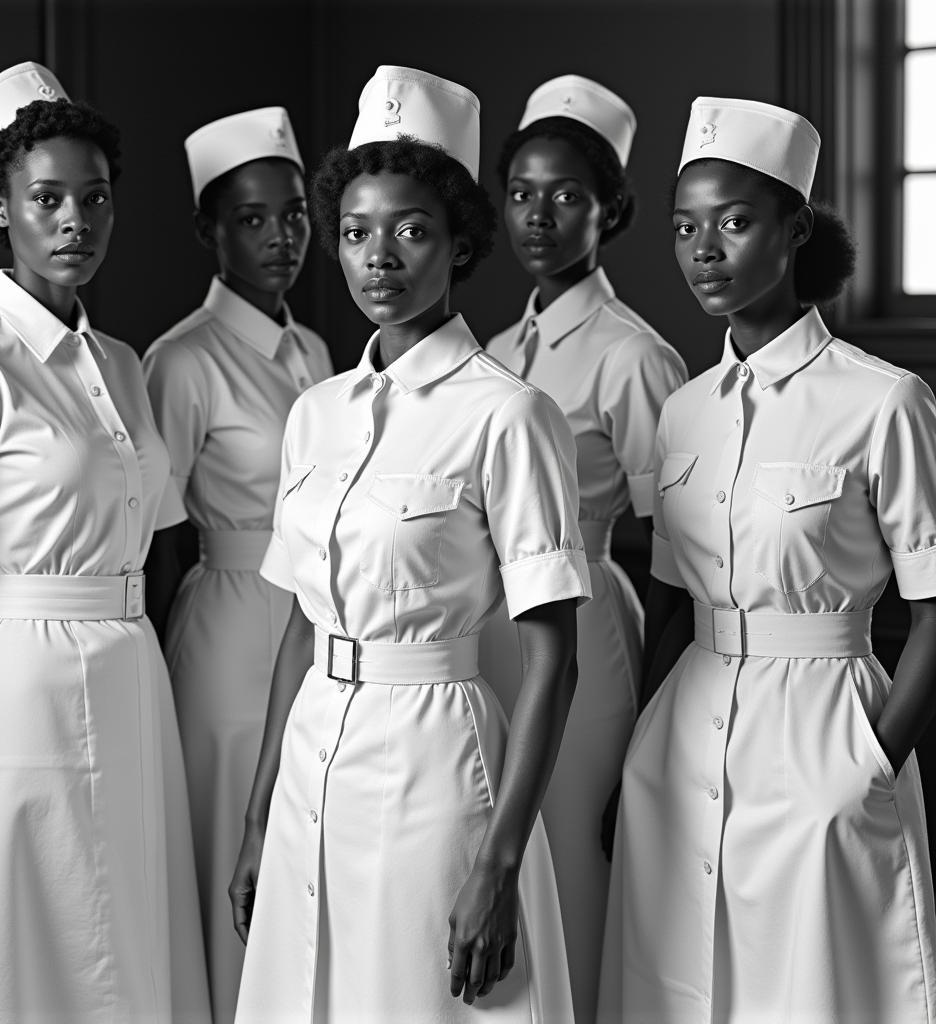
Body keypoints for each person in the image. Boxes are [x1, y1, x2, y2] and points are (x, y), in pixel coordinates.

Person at [228, 65, 590, 1023]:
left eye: (411, 229)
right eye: (354, 232)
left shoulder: (510, 416)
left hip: (437, 765)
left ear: (462, 243)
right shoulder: (315, 414)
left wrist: (500, 860)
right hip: (314, 760)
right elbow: (303, 628)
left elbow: (554, 653)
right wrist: (262, 815)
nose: (377, 257)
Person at [598, 96, 936, 1023]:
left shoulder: (884, 402)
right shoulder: (686, 409)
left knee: (814, 991)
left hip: (825, 732)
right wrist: (637, 754)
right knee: (678, 982)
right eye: (685, 228)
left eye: (736, 223)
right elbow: (670, 604)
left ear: (795, 232)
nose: (705, 249)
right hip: (684, 735)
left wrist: (868, 767)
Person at [0, 62, 210, 1022]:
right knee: (32, 942)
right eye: (46, 198)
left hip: (135, 679)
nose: (75, 220)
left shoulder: (123, 365)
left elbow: (161, 545)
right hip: (21, 693)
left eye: (95, 198)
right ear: (0, 208)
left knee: (125, 938)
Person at [479, 74, 687, 1019]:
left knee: (571, 864)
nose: (539, 216)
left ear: (612, 212)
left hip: (587, 631)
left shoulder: (632, 356)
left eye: (567, 196)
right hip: (485, 636)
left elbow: (678, 553)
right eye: (521, 193)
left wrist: (652, 717)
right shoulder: (490, 347)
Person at [142, 105, 332, 1023]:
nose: (281, 237)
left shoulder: (319, 351)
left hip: (318, 623)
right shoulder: (181, 360)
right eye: (252, 219)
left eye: (293, 213)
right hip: (225, 623)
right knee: (232, 839)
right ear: (208, 231)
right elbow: (156, 531)